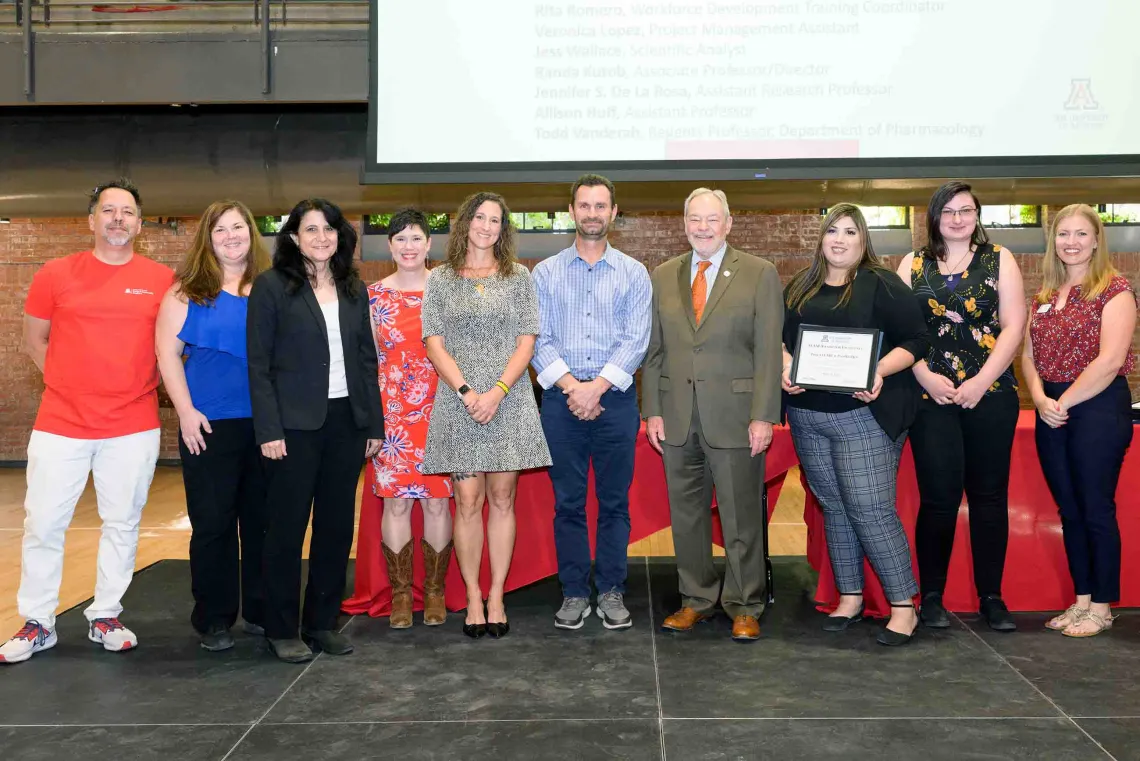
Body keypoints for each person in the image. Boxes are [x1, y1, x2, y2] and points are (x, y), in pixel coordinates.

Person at [1, 179, 174, 664]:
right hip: (60, 423)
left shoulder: (162, 280)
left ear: (140, 224)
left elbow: (170, 348)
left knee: (122, 523)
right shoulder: (55, 274)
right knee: (43, 524)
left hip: (132, 424)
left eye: (127, 212)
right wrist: (68, 384)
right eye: (108, 210)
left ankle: (105, 614)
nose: (118, 218)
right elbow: (35, 340)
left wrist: (141, 382)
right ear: (91, 220)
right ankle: (38, 622)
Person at [782, 204, 928, 646]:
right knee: (835, 506)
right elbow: (778, 339)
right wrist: (785, 365)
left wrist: (878, 371)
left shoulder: (881, 284)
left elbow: (918, 340)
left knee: (870, 509)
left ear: (863, 240)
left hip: (863, 416)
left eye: (850, 231)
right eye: (832, 231)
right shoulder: (800, 287)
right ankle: (849, 596)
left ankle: (904, 607)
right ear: (821, 238)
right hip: (809, 416)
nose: (839, 239)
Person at [642, 188, 782, 643]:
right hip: (678, 418)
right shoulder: (663, 275)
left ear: (728, 223)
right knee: (687, 516)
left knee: (741, 516)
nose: (702, 228)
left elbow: (767, 352)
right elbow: (656, 351)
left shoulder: (759, 274)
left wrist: (764, 416)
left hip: (738, 417)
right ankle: (696, 599)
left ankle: (744, 604)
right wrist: (653, 411)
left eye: (711, 220)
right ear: (683, 223)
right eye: (694, 220)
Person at [247, 198, 384, 663]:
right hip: (292, 428)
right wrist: (269, 429)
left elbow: (367, 360)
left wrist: (373, 422)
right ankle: (281, 627)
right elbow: (258, 365)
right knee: (285, 529)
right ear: (292, 237)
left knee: (334, 527)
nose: (321, 237)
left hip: (346, 424)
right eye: (310, 229)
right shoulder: (270, 288)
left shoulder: (352, 288)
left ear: (340, 236)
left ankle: (321, 622)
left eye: (329, 229)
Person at [421, 191, 552, 639]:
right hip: (459, 405)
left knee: (502, 501)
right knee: (467, 502)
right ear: (465, 223)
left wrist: (495, 392)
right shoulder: (440, 279)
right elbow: (434, 342)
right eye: (480, 217)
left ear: (504, 229)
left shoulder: (519, 276)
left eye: (496, 220)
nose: (487, 226)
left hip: (508, 400)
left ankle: (497, 594)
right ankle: (473, 596)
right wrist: (466, 392)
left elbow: (527, 340)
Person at [896, 181, 1025, 632]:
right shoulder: (911, 263)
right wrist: (925, 377)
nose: (956, 218)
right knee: (938, 500)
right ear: (934, 216)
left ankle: (992, 596)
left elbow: (1013, 326)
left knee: (989, 498)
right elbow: (900, 333)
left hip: (990, 395)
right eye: (948, 210)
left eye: (965, 210)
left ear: (977, 215)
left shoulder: (999, 258)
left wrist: (980, 381)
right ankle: (930, 596)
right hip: (930, 396)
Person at [532, 174, 651, 630]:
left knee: (615, 502)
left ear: (613, 213)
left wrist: (595, 388)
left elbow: (635, 341)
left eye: (601, 206)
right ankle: (575, 592)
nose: (593, 213)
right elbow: (538, 339)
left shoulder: (634, 273)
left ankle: (613, 589)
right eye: (585, 205)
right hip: (561, 403)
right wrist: (572, 388)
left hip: (615, 402)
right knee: (568, 503)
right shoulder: (544, 273)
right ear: (572, 211)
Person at [155, 200, 272, 651]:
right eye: (220, 229)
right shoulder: (186, 291)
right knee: (213, 524)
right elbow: (167, 353)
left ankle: (262, 611)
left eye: (238, 226)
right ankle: (214, 619)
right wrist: (186, 412)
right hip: (208, 424)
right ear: (208, 237)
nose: (230, 236)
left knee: (262, 523)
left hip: (266, 426)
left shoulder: (270, 287)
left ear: (251, 233)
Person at [1022, 203, 1136, 638]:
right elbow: (1028, 357)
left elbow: (1108, 361)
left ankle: (1104, 606)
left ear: (1096, 240)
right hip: (1052, 406)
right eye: (1063, 234)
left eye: (1081, 234)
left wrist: (1063, 401)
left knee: (1095, 508)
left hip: (1098, 405)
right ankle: (1083, 599)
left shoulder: (1115, 290)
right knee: (1069, 509)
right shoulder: (1045, 295)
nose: (1071, 242)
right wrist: (1038, 397)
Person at [368, 208, 454, 628]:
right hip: (392, 417)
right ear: (389, 246)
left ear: (429, 244)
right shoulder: (373, 297)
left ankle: (434, 592)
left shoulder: (447, 291)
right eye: (400, 239)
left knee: (438, 503)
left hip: (441, 410)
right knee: (397, 504)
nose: (408, 246)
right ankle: (402, 594)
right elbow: (366, 362)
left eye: (416, 238)